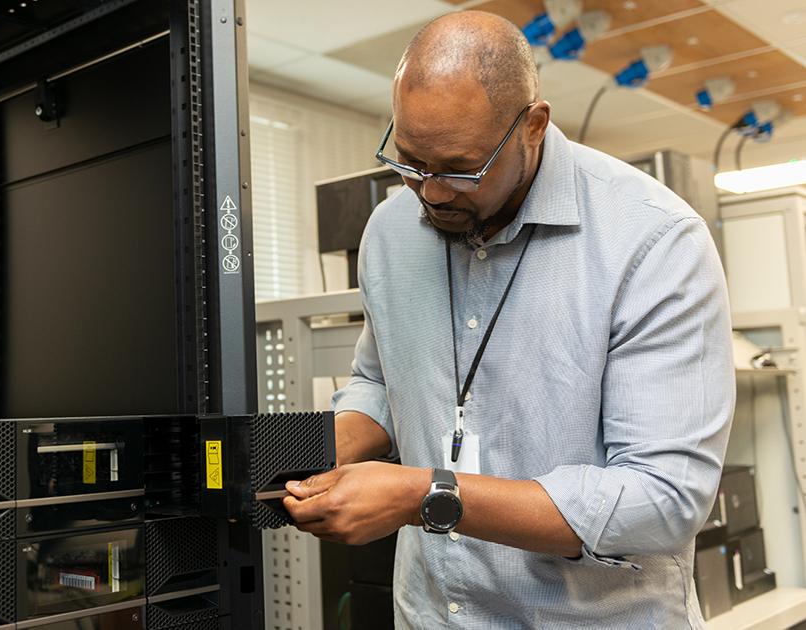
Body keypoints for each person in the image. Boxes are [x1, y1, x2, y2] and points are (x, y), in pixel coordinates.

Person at [282, 10, 734, 628]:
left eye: (461, 168)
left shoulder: (653, 241)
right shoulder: (390, 231)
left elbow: (662, 499)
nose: (432, 192)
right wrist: (310, 453)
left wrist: (424, 495)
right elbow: (383, 382)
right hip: (430, 614)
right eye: (411, 161)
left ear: (534, 127)